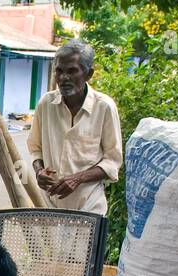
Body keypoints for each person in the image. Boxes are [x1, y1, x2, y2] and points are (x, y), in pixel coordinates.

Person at [27, 39, 122, 215]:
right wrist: (39, 171)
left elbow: (113, 161)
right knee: (47, 244)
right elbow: (35, 148)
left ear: (89, 74)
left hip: (89, 205)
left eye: (72, 71)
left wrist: (77, 179)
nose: (63, 78)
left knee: (85, 244)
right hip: (48, 202)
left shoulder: (104, 107)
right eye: (59, 71)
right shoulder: (46, 104)